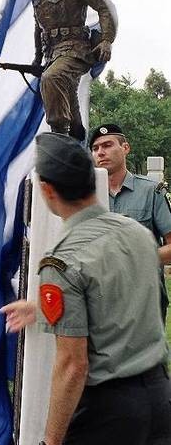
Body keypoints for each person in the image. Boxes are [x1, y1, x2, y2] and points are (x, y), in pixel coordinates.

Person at [1, 133, 170, 445]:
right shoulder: (138, 235)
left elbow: (72, 366)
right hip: (159, 398)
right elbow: (114, 287)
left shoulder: (61, 261)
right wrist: (43, 307)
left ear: (46, 191)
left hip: (108, 412)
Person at [18, 0, 117, 139]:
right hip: (52, 53)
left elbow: (104, 7)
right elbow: (39, 26)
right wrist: (37, 58)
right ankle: (77, 136)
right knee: (68, 102)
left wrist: (107, 40)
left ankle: (58, 138)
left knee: (52, 78)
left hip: (76, 49)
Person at [89, 123, 171, 322]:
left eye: (107, 145)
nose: (101, 152)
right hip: (99, 302)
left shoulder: (151, 191)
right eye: (95, 148)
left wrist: (135, 259)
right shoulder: (85, 196)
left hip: (144, 301)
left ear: (125, 148)